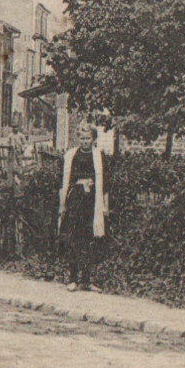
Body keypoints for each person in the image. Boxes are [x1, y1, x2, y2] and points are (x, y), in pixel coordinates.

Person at [57, 122, 110, 292]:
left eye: (88, 138)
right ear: (78, 138)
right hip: (75, 200)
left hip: (92, 202)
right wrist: (62, 204)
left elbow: (106, 183)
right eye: (82, 138)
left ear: (93, 139)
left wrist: (105, 205)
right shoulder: (72, 155)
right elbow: (64, 181)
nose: (85, 141)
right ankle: (73, 278)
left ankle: (86, 280)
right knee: (74, 239)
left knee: (89, 240)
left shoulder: (98, 156)